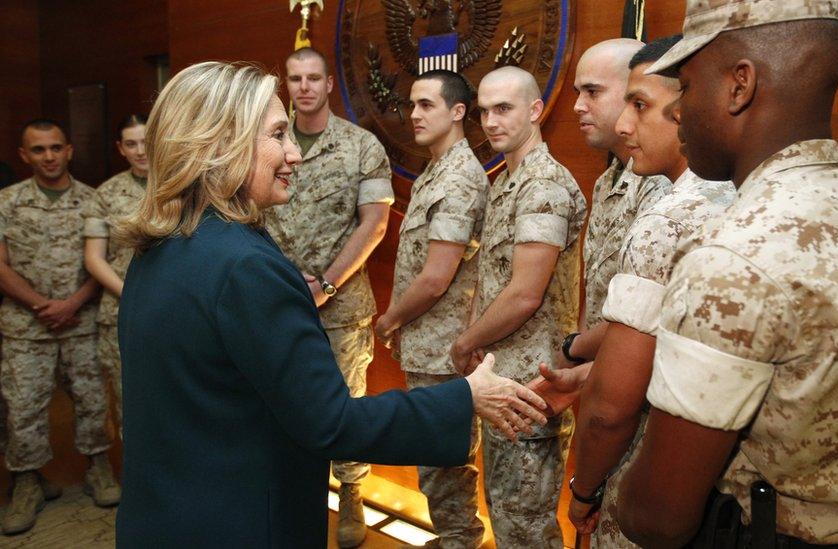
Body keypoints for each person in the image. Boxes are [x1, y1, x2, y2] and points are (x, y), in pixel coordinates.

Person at [113, 61, 547, 549]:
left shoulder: (157, 248)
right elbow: (332, 422)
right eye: (279, 134)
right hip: (239, 522)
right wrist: (466, 396)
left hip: (164, 517)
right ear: (222, 145)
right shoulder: (246, 268)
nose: (294, 154)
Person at [614, 1, 838, 547]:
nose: (680, 113)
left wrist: (608, 494)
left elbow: (659, 515)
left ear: (740, 86)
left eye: (687, 88)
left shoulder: (732, 257)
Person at [551, 36, 735, 548]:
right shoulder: (737, 195)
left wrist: (582, 491)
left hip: (647, 461)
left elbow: (615, 408)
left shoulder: (673, 213)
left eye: (640, 105)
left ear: (686, 110)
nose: (625, 124)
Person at [450, 66, 587, 548]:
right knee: (508, 520)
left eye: (503, 109)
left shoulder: (543, 184)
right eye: (484, 110)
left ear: (534, 111)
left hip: (532, 384)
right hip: (505, 379)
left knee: (527, 531)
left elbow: (526, 293)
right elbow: (492, 281)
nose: (489, 121)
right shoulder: (506, 181)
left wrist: (467, 340)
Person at [263, 47, 390, 547]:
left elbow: (375, 223)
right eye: (294, 78)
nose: (304, 87)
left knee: (345, 404)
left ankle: (353, 493)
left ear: (330, 83)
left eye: (313, 77)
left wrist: (327, 284)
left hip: (340, 306)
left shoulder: (362, 145)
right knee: (279, 399)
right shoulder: (266, 145)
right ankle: (294, 496)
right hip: (274, 299)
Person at [375, 70, 489, 549]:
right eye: (412, 104)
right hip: (430, 349)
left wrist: (390, 318)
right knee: (439, 470)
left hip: (445, 354)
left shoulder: (460, 178)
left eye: (426, 105)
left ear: (457, 111)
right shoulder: (437, 170)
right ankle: (453, 538)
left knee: (446, 471)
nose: (414, 115)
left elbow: (437, 276)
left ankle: (460, 541)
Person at [0, 119, 118, 535]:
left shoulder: (93, 200)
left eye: (55, 148)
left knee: (91, 401)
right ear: (24, 155)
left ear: (69, 150)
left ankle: (98, 468)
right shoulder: (7, 202)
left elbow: (103, 259)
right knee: (23, 407)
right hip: (25, 325)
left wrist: (71, 303)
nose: (48, 157)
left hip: (82, 320)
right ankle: (28, 481)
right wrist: (39, 304)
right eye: (38, 150)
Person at [553, 38, 672, 371]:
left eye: (592, 92)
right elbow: (596, 287)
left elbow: (645, 315)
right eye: (578, 92)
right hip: (600, 370)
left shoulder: (662, 184)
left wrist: (573, 348)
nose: (578, 105)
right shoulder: (608, 180)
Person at [83, 114, 148, 434]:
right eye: (131, 144)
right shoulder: (105, 194)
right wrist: (132, 293)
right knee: (131, 402)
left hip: (179, 308)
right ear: (120, 149)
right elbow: (94, 259)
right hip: (124, 310)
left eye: (146, 141)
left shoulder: (181, 183)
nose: (140, 151)